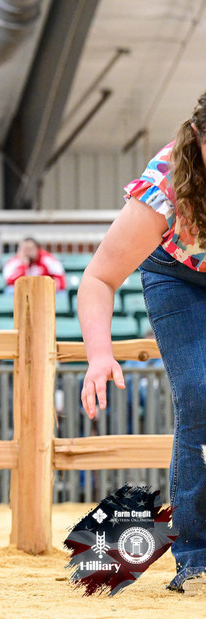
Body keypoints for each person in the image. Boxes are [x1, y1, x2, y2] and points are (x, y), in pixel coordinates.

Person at [77, 91, 206, 594]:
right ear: (197, 139)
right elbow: (99, 278)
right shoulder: (165, 186)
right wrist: (99, 353)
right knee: (199, 395)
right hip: (175, 274)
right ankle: (195, 556)